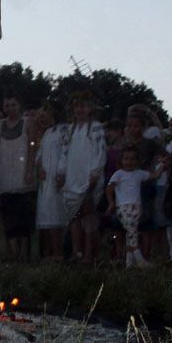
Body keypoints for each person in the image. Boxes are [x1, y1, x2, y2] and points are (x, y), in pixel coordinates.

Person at [57, 92, 106, 264]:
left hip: (88, 177)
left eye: (84, 106)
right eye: (77, 106)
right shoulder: (69, 130)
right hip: (72, 177)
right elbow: (63, 153)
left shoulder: (96, 127)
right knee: (74, 217)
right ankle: (76, 252)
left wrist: (95, 173)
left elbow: (100, 151)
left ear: (90, 108)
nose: (80, 110)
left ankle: (89, 253)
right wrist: (61, 172)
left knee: (89, 216)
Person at [105, 147, 165, 268]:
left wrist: (162, 164)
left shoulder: (139, 173)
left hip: (136, 208)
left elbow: (155, 175)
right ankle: (140, 259)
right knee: (132, 232)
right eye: (126, 159)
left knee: (130, 233)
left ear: (137, 161)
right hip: (123, 208)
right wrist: (111, 203)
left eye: (132, 159)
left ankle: (129, 262)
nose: (129, 162)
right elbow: (109, 188)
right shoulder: (119, 174)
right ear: (121, 160)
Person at [0, 92, 35, 262]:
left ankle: (25, 254)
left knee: (24, 217)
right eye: (7, 105)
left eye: (13, 105)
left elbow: (32, 146)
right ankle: (13, 253)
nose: (10, 108)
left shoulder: (28, 123)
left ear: (19, 106)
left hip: (23, 176)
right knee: (9, 216)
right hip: (5, 177)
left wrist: (29, 170)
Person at [34, 103, 67, 260]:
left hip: (57, 177)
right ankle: (48, 252)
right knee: (46, 215)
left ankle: (58, 252)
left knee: (55, 216)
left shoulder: (62, 131)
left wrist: (61, 172)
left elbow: (65, 153)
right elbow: (39, 154)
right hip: (45, 178)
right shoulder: (47, 133)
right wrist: (39, 167)